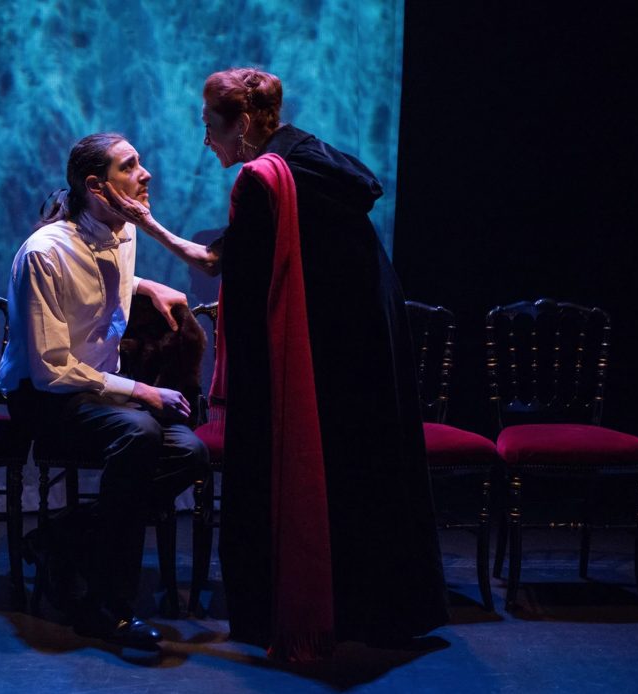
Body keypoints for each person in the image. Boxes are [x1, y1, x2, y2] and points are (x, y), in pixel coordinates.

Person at [100, 68, 448, 660]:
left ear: (242, 126)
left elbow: (212, 261)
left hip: (330, 340)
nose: (205, 140)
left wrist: (142, 221)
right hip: (365, 327)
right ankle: (377, 610)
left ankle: (309, 611)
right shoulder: (307, 151)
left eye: (211, 127)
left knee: (311, 463)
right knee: (362, 462)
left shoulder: (263, 179)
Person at [0, 132, 208, 650]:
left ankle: (57, 539)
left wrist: (143, 285)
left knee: (191, 452)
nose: (146, 173)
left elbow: (103, 275)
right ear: (97, 186)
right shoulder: (42, 255)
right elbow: (50, 370)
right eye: (130, 166)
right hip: (42, 397)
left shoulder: (125, 233)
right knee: (138, 432)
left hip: (93, 393)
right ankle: (109, 608)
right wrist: (140, 390)